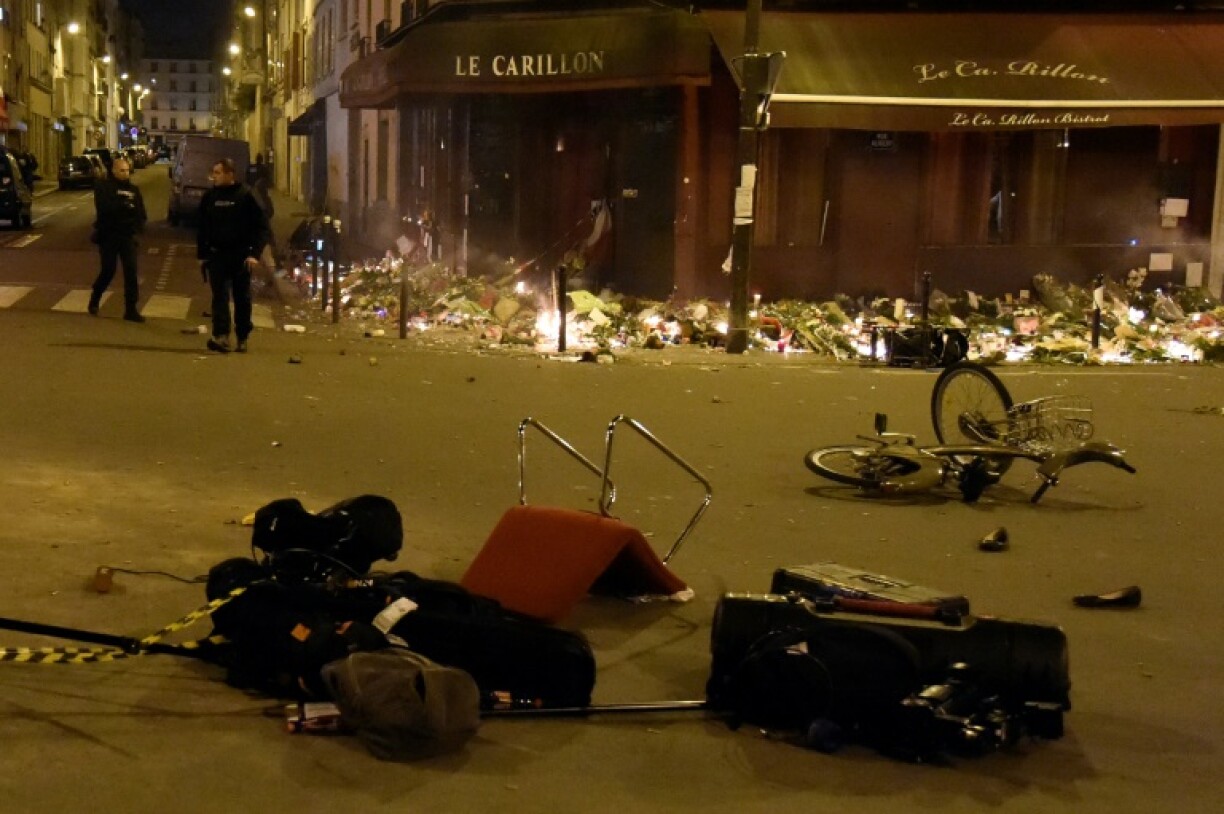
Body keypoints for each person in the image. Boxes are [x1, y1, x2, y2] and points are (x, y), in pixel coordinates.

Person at [197, 158, 270, 353]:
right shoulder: (210, 197)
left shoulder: (245, 195)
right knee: (219, 297)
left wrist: (255, 253)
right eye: (214, 172)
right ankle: (221, 336)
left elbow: (262, 226)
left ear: (230, 174)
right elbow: (202, 227)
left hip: (241, 255)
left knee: (242, 298)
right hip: (217, 255)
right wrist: (203, 254)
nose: (215, 176)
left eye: (218, 172)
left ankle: (242, 336)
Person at [88, 157, 148, 322]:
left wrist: (137, 229)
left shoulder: (134, 190)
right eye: (122, 170)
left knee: (131, 272)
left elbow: (141, 213)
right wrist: (124, 206)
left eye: (127, 170)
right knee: (108, 270)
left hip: (127, 236)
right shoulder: (104, 187)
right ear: (114, 171)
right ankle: (95, 297)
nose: (125, 173)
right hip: (108, 235)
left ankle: (131, 309)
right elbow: (105, 208)